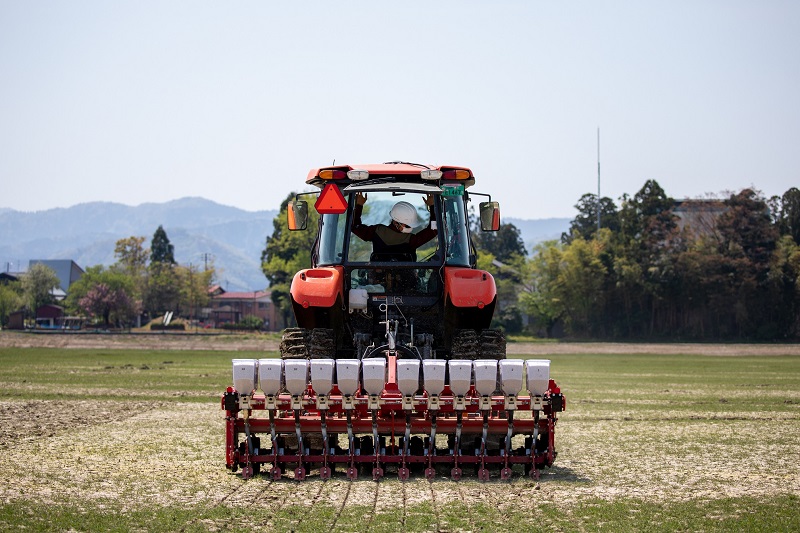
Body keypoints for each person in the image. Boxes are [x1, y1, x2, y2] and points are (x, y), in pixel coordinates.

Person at [352, 193, 436, 262]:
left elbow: (355, 227)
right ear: (396, 222)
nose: (410, 227)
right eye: (407, 225)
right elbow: (434, 229)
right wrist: (432, 206)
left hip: (376, 280)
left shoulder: (376, 231)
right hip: (407, 281)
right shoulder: (411, 240)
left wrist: (359, 205)